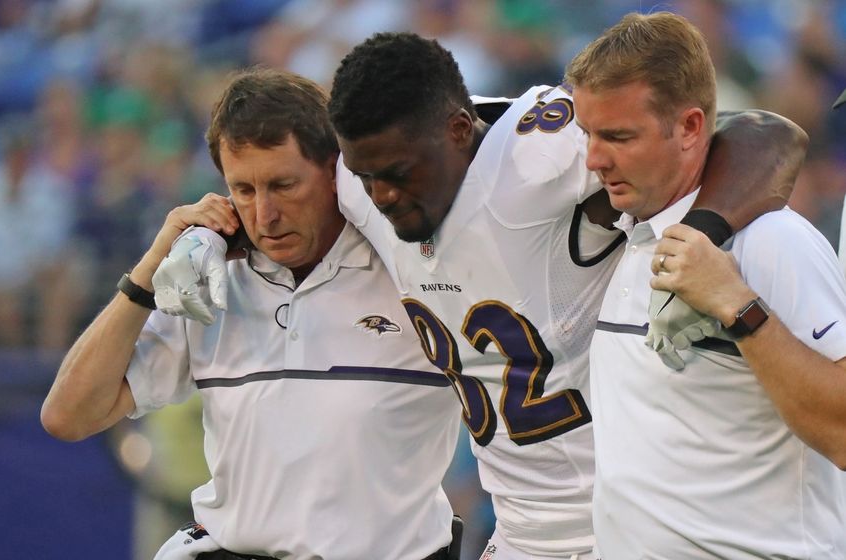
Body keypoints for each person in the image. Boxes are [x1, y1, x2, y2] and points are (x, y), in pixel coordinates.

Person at [324, 32, 806, 559]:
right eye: (365, 175)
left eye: (397, 174)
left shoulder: (539, 157)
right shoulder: (357, 176)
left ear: (459, 130)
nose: (382, 195)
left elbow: (767, 136)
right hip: (515, 532)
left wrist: (694, 240)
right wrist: (219, 228)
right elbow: (276, 181)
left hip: (620, 530)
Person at [40, 67, 463, 560]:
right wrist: (148, 273)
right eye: (243, 190)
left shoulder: (416, 270)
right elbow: (68, 416)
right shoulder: (206, 277)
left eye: (283, 185)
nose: (264, 215)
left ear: (336, 172)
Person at [569, 11, 846, 558]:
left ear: (691, 127)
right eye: (589, 134)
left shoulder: (772, 243)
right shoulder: (627, 230)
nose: (594, 159)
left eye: (619, 136)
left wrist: (739, 307)